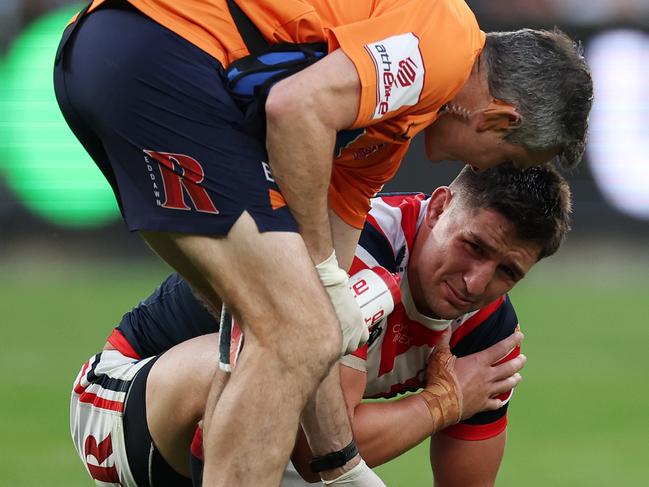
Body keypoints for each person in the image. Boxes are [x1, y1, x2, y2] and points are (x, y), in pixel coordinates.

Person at [54, 1, 592, 485]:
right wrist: (328, 282)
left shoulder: (383, 133)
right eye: (507, 158)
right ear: (501, 117)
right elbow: (294, 107)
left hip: (124, 54)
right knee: (295, 329)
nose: (482, 169)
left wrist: (343, 467)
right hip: (160, 52)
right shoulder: (449, 43)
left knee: (284, 331)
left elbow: (324, 253)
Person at [70, 163, 571, 487]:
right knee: (276, 368)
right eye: (473, 246)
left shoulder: (489, 337)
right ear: (439, 208)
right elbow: (322, 453)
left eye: (507, 272)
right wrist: (442, 404)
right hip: (124, 404)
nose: (476, 282)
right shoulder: (353, 248)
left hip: (260, 451)